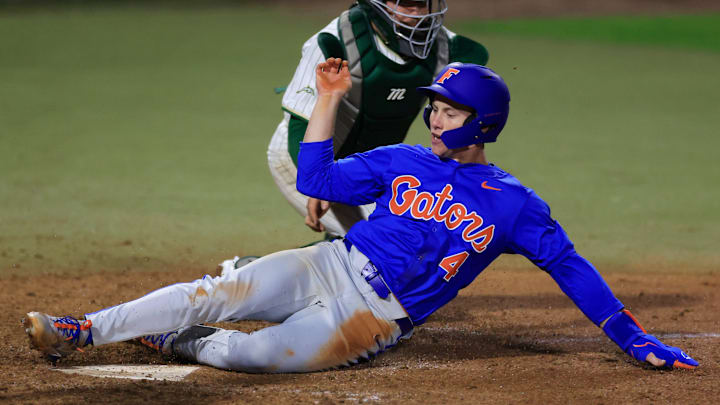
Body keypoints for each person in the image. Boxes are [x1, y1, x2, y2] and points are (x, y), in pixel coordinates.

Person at [23, 59, 698, 373]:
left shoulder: (514, 204)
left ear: (483, 122)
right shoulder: (404, 159)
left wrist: (633, 336)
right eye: (434, 105)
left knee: (263, 354)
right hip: (330, 261)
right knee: (216, 293)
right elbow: (315, 178)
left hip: (373, 318)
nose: (435, 115)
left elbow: (571, 267)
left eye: (450, 109)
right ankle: (81, 330)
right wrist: (328, 99)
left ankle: (173, 341)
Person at [266, 0, 488, 240]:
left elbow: (474, 62)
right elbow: (301, 121)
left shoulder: (444, 48)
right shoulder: (335, 41)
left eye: (423, 3)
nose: (417, 11)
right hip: (306, 159)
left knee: (408, 239)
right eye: (406, 3)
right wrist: (317, 180)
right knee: (384, 245)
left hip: (373, 168)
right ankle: (243, 271)